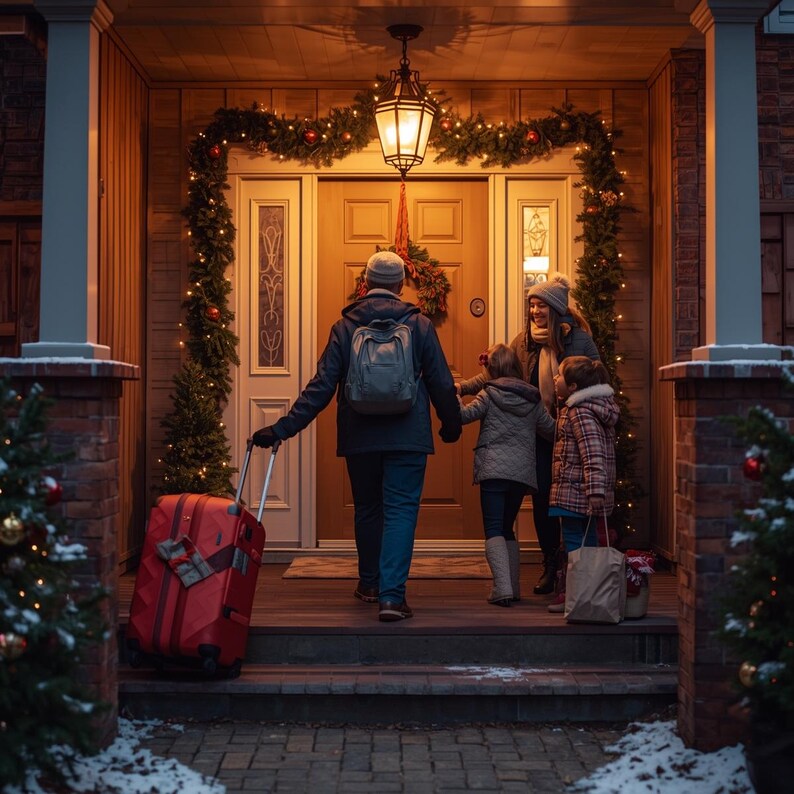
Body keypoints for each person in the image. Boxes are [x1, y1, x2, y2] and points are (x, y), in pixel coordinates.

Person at [251, 250, 461, 622]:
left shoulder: (344, 327)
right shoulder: (420, 325)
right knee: (399, 511)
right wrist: (451, 423)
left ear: (365, 282)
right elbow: (442, 383)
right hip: (407, 436)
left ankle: (369, 585)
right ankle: (393, 598)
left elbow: (320, 388)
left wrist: (282, 428)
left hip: (359, 435)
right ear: (400, 284)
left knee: (367, 509)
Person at [458, 273, 599, 596]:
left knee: (574, 501)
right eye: (532, 305)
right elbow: (498, 374)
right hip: (538, 434)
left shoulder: (579, 341)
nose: (535, 311)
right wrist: (463, 388)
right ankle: (551, 564)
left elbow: (595, 379)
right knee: (543, 500)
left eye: (541, 306)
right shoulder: (523, 342)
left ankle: (577, 572)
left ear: (556, 308)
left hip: (574, 432)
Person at [458, 343, 555, 606]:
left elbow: (462, 417)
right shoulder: (533, 398)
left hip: (493, 470)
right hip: (521, 473)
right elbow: (551, 430)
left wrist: (454, 394)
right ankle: (512, 587)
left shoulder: (488, 395)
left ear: (492, 370)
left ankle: (501, 588)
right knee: (507, 528)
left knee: (493, 529)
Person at [547, 356, 619, 613]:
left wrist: (595, 491)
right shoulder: (583, 409)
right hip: (578, 491)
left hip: (575, 493)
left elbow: (593, 453)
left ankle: (577, 595)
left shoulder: (580, 412)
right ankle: (586, 595)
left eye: (559, 376)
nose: (555, 380)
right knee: (585, 542)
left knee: (575, 543)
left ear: (574, 386)